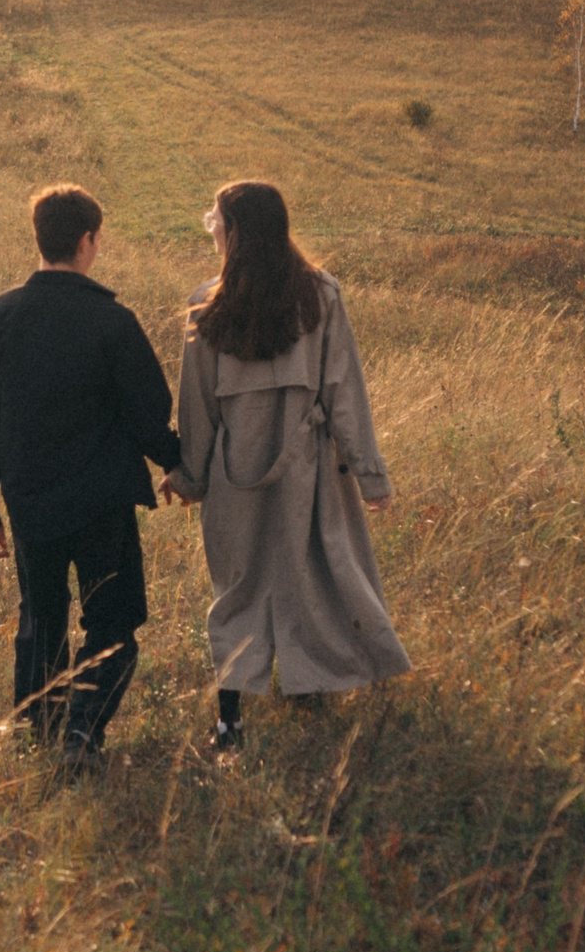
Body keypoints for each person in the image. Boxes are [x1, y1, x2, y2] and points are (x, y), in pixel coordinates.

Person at [163, 180, 409, 751]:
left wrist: (191, 476)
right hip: (311, 469)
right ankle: (311, 694)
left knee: (239, 590)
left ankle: (231, 722)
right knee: (310, 578)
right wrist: (370, 475)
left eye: (216, 219)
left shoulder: (206, 302)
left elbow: (196, 405)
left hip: (234, 472)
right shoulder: (321, 295)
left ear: (239, 231)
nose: (212, 228)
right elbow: (344, 390)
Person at [0, 182, 183, 775]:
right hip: (102, 501)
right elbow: (148, 414)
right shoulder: (112, 320)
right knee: (112, 620)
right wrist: (178, 463)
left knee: (41, 615)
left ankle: (42, 730)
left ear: (38, 238)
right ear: (89, 241)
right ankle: (82, 730)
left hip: (30, 501)